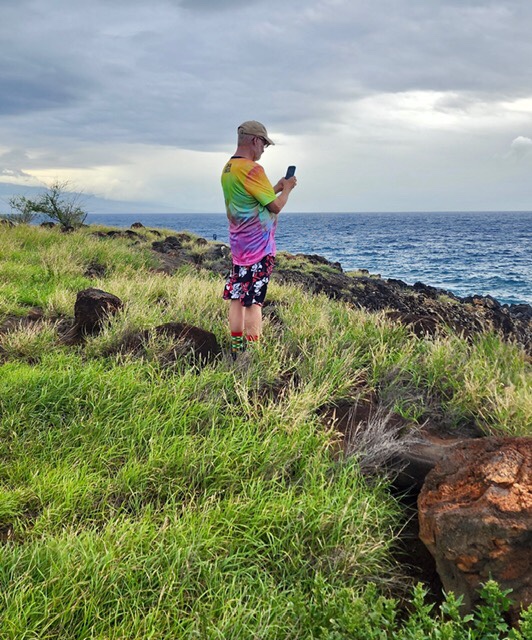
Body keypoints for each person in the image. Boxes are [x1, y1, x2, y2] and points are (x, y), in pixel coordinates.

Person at [221, 120, 297, 358]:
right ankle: (253, 353)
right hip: (258, 248)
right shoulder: (253, 169)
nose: (264, 148)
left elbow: (253, 198)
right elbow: (275, 207)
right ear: (255, 140)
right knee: (254, 301)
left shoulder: (229, 168)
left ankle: (236, 348)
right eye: (264, 143)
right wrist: (288, 189)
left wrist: (276, 187)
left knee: (237, 296)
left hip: (239, 247)